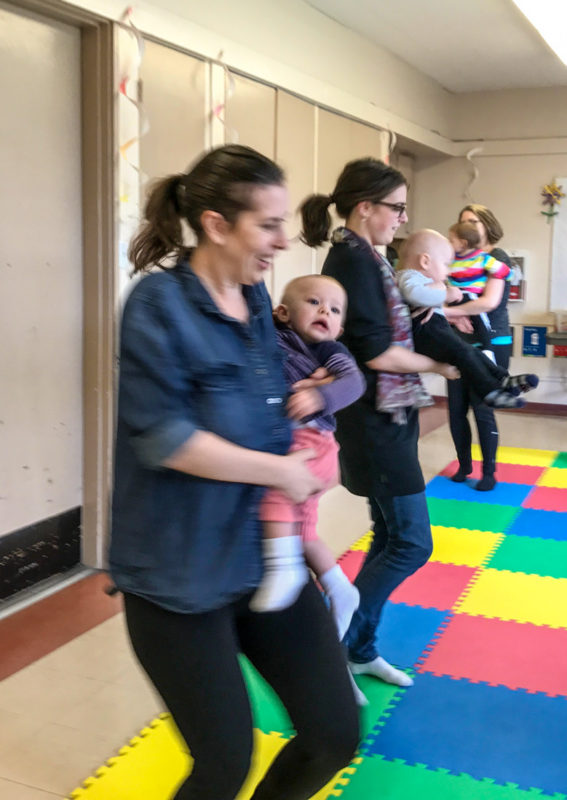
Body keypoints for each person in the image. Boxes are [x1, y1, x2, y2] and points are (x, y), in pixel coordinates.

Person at [109, 144, 359, 800]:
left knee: (334, 733)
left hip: (258, 552)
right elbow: (166, 440)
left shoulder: (254, 300)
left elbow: (280, 396)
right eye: (267, 225)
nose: (282, 241)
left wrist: (308, 445)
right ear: (217, 224)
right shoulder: (157, 303)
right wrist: (280, 470)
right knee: (224, 762)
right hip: (176, 572)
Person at [300, 157, 459, 698]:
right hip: (373, 424)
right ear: (365, 207)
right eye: (396, 208)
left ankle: (358, 650)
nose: (401, 219)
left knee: (391, 536)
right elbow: (376, 353)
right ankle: (331, 649)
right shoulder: (353, 262)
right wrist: (440, 366)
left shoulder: (369, 259)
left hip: (385, 419)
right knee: (413, 543)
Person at [250, 274, 365, 644]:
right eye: (313, 303)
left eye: (333, 310)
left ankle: (284, 569)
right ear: (282, 312)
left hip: (311, 440)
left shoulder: (331, 352)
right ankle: (339, 586)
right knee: (305, 532)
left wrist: (321, 397)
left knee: (275, 493)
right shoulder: (274, 336)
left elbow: (354, 383)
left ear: (340, 327)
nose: (324, 312)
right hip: (295, 439)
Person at [444, 203, 533, 491]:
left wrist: (450, 313)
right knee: (456, 408)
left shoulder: (496, 257)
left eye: (474, 221)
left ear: (487, 225)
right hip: (460, 342)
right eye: (463, 222)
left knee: (482, 407)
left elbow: (489, 301)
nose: (468, 227)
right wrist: (453, 315)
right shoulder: (457, 260)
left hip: (493, 341)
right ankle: (464, 465)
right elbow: (445, 295)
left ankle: (489, 472)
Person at [396, 229, 537, 409]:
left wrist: (441, 293)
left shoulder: (423, 280)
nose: (448, 271)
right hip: (426, 334)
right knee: (465, 354)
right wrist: (444, 294)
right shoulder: (408, 276)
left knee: (473, 352)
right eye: (446, 264)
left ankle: (503, 378)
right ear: (425, 261)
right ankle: (489, 392)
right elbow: (414, 294)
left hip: (436, 331)